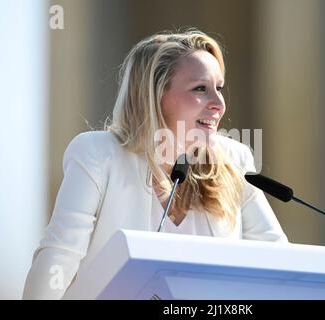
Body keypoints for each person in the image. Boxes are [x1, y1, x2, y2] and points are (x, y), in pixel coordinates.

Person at [22, 28, 288, 300]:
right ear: (155, 95)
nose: (219, 104)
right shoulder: (97, 155)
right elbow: (60, 257)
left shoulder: (235, 161)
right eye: (200, 89)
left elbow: (280, 266)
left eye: (218, 88)